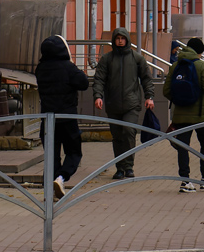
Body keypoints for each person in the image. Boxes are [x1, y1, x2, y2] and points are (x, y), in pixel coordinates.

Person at [92, 28, 155, 179]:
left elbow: (146, 79)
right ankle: (119, 167)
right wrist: (98, 96)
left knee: (128, 131)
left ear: (127, 39)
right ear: (114, 40)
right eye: (117, 38)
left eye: (122, 38)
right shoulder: (107, 59)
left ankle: (129, 166)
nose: (120, 41)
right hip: (113, 104)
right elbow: (99, 79)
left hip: (131, 104)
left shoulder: (136, 58)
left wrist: (149, 96)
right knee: (117, 136)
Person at [35, 35, 90, 199]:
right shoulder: (68, 68)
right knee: (74, 153)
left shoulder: (40, 69)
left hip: (47, 119)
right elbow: (84, 83)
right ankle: (61, 178)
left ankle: (49, 191)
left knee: (51, 155)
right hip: (67, 118)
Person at [165, 36, 204, 192]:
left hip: (180, 114)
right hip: (201, 113)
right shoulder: (201, 66)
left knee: (183, 146)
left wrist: (180, 99)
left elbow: (166, 90)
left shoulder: (175, 65)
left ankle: (185, 181)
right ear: (200, 52)